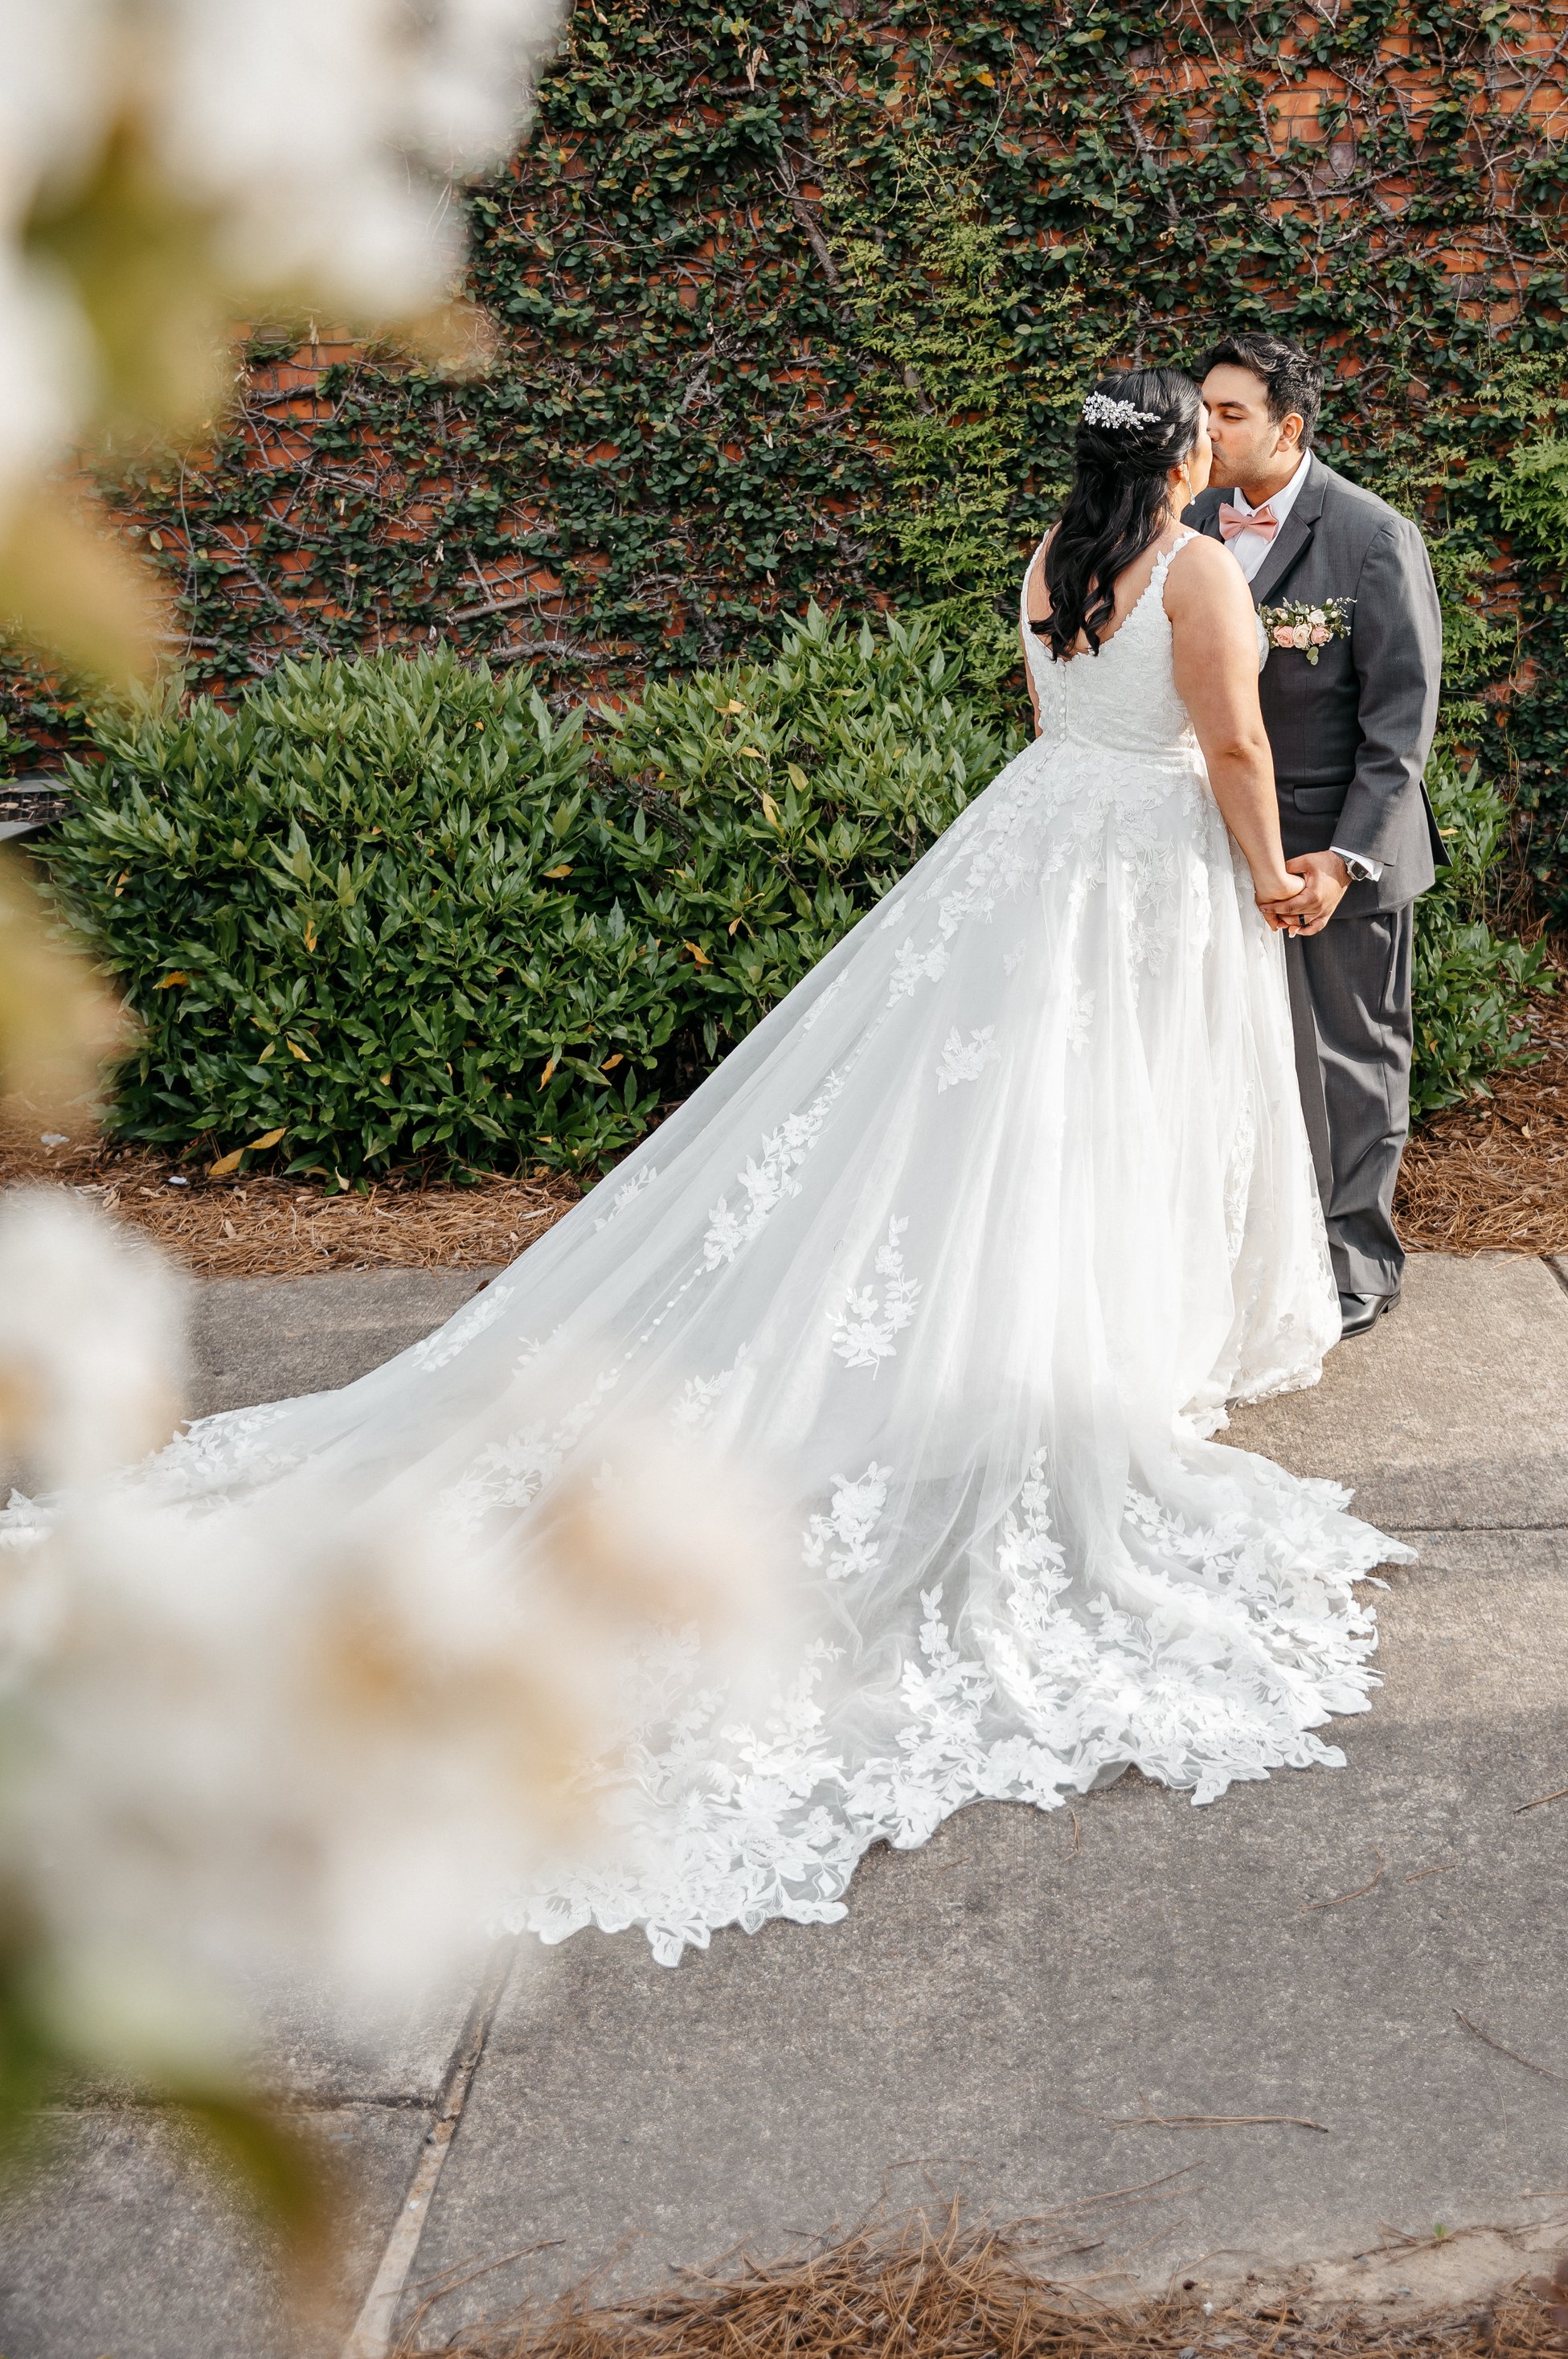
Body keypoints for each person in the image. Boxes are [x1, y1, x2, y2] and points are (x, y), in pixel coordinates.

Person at [77, 369, 1406, 1969]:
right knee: (1099, 1100)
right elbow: (1235, 747)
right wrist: (1267, 878)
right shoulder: (1196, 573)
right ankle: (1094, 1336)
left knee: (1008, 1105)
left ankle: (1067, 1309)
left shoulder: (1051, 559)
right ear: (1180, 460)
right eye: (1199, 434)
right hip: (1140, 864)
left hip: (1029, 837)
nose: (1214, 446)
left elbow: (1052, 714)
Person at [1186, 336, 1444, 1336]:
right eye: (1202, 407)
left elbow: (1401, 724)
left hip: (1333, 856)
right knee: (1226, 1057)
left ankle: (1353, 1268)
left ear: (1289, 428)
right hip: (1215, 851)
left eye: (1231, 413)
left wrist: (1341, 861)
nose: (1206, 428)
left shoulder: (1374, 537)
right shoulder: (1186, 525)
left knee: (1349, 1065)